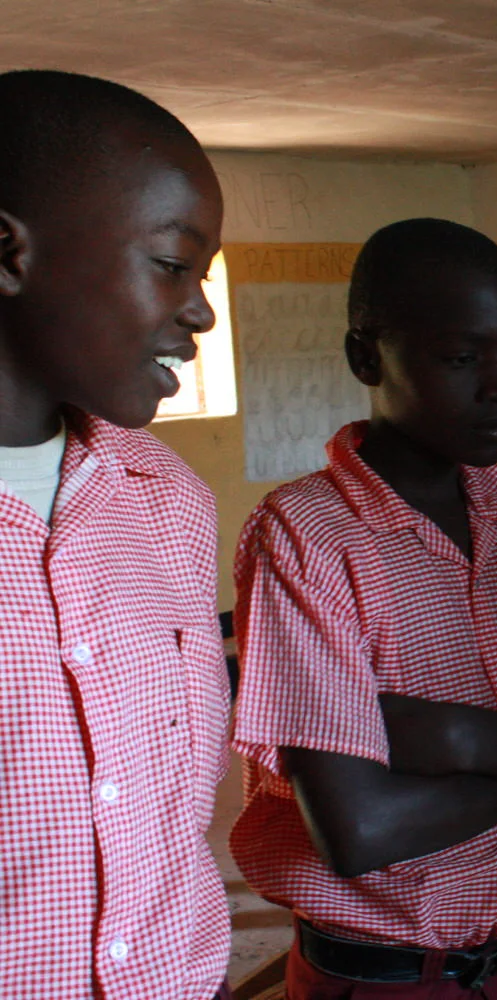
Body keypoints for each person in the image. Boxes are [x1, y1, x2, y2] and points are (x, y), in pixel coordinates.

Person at [230, 219, 497, 999]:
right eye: (463, 358)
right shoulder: (306, 540)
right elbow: (360, 831)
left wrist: (458, 736)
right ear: (367, 356)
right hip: (397, 979)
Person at [0, 69, 233, 999]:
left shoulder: (167, 501)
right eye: (173, 264)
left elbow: (170, 849)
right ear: (8, 254)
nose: (202, 312)